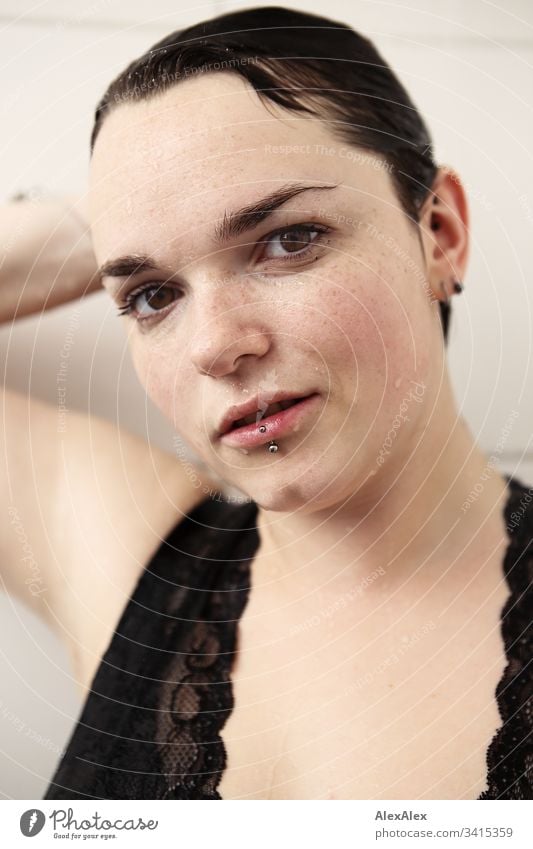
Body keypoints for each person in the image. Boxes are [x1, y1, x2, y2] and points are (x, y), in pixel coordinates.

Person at [1, 6, 531, 801]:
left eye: (287, 239)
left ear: (440, 234)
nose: (216, 346)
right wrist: (110, 214)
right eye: (151, 294)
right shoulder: (122, 545)